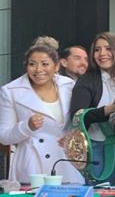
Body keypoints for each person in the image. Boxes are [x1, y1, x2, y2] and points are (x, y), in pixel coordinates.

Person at [0, 42, 83, 184]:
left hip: (65, 163)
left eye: (45, 64)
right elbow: (4, 137)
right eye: (32, 64)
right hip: (32, 166)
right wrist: (26, 126)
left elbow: (79, 120)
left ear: (56, 66)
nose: (38, 70)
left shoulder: (68, 85)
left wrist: (72, 135)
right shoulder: (10, 91)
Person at [70, 32, 115, 184]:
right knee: (102, 196)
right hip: (97, 147)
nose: (102, 54)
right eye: (97, 50)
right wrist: (112, 107)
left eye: (108, 48)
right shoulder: (86, 81)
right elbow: (77, 117)